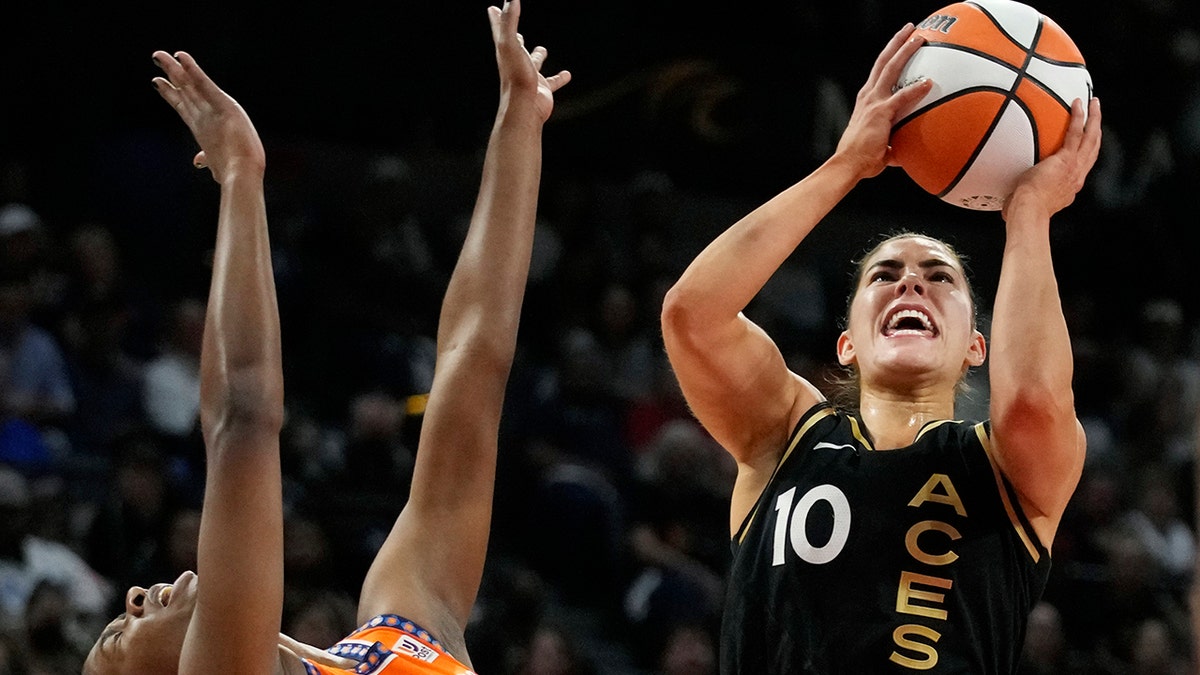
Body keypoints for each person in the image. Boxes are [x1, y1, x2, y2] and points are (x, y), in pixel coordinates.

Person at [82, 1, 569, 672]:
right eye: (117, 635)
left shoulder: (401, 611)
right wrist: (241, 183)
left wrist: (518, 123)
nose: (133, 597)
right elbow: (243, 417)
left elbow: (473, 358)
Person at [660, 22, 1102, 674]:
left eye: (940, 276)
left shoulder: (1005, 468)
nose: (912, 280)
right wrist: (845, 167)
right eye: (884, 274)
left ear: (977, 346)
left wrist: (1030, 212)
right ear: (848, 342)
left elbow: (1033, 399)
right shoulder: (784, 436)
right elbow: (692, 316)